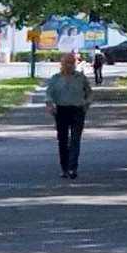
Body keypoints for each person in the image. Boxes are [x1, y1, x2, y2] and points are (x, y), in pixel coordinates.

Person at [45, 51, 93, 179]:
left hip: (77, 110)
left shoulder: (80, 78)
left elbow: (89, 93)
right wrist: (50, 105)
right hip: (61, 111)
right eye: (66, 63)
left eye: (71, 63)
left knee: (75, 140)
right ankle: (64, 168)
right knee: (63, 140)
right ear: (61, 64)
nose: (68, 65)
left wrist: (87, 104)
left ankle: (73, 167)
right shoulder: (55, 79)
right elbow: (49, 93)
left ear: (75, 64)